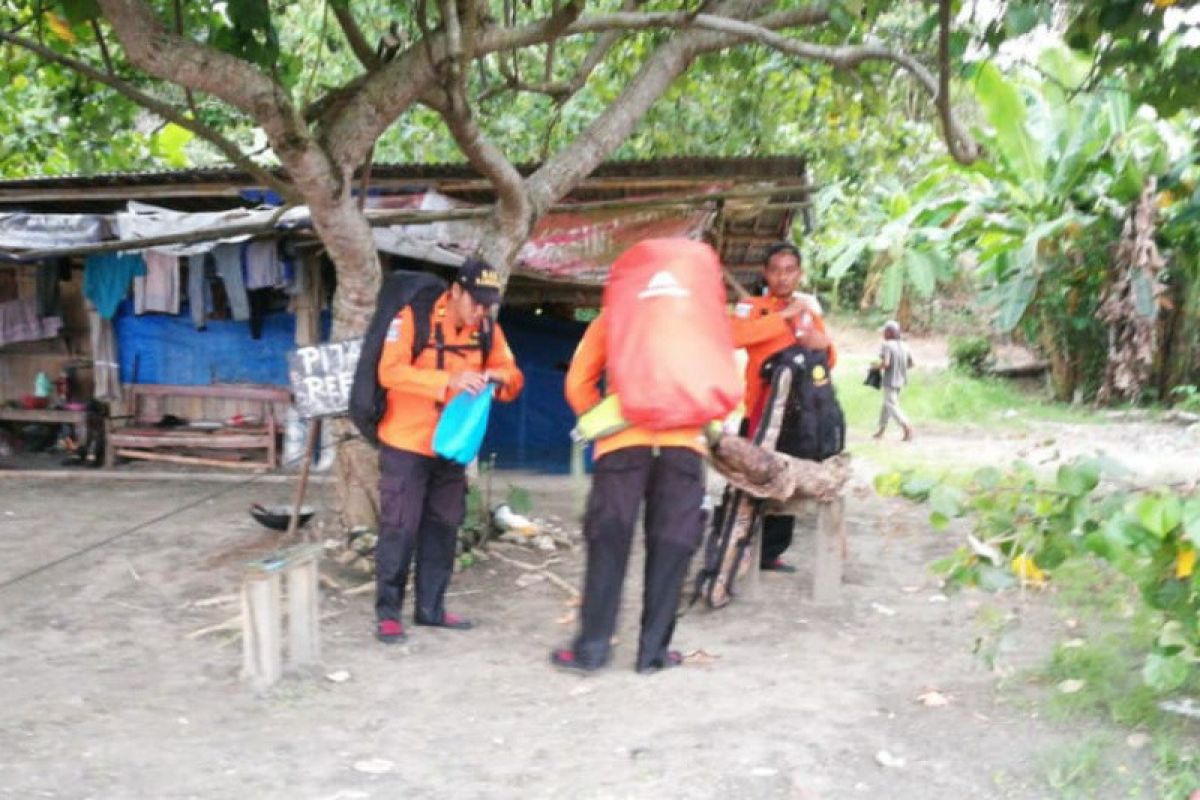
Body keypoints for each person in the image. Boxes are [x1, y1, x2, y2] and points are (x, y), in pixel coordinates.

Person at [373, 257, 524, 643]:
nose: (479, 311)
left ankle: (431, 608)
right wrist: (448, 381)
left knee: (444, 525)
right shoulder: (412, 317)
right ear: (455, 292)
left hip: (453, 445)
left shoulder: (488, 328)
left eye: (486, 304)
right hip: (407, 441)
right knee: (400, 527)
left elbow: (513, 375)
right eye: (475, 301)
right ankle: (388, 613)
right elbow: (389, 372)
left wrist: (495, 377)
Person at [551, 310, 707, 674]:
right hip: (682, 442)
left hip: (622, 443)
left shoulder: (615, 315)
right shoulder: (698, 318)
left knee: (608, 539)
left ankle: (592, 650)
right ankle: (652, 654)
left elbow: (578, 382)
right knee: (673, 544)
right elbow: (720, 383)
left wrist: (605, 419)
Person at [730, 242, 837, 573]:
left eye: (789, 270)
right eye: (776, 270)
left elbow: (828, 361)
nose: (782, 277)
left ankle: (771, 553)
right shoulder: (751, 306)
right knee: (750, 481)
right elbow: (735, 335)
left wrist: (819, 343)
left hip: (802, 416)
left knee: (789, 481)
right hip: (759, 414)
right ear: (766, 273)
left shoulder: (809, 312)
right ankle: (739, 549)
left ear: (799, 274)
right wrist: (783, 318)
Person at [873, 320, 914, 441]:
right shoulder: (904, 345)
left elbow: (886, 363)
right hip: (901, 380)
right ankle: (881, 430)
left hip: (890, 380)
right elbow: (911, 364)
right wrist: (899, 367)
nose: (883, 334)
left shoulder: (887, 345)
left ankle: (907, 426)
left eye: (885, 332)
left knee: (891, 405)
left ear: (889, 333)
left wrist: (875, 367)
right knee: (886, 405)